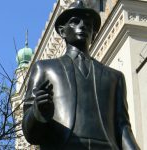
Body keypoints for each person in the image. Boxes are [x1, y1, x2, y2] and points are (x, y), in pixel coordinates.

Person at [22, 1, 140, 150]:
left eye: (88, 24)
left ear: (94, 33)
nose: (83, 26)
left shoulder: (114, 77)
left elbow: (123, 128)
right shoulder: (44, 68)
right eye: (75, 22)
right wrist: (38, 112)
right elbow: (29, 132)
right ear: (62, 31)